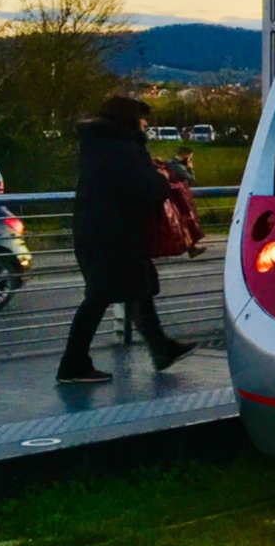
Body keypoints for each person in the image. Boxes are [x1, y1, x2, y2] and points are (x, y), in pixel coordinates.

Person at [57, 95, 194, 384]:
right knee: (100, 297)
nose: (146, 126)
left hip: (104, 233)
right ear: (130, 121)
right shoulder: (122, 151)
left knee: (136, 290)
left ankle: (161, 348)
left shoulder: (101, 147)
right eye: (143, 121)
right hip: (115, 237)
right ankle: (73, 363)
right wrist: (162, 179)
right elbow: (145, 189)